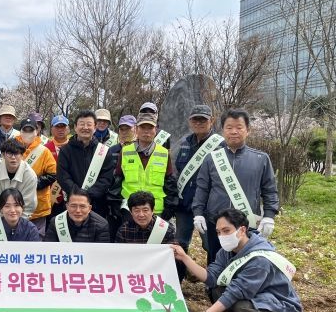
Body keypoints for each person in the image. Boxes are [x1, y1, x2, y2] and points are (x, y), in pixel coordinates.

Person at [172, 208, 301, 312]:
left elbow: (236, 292)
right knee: (218, 289)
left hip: (281, 309)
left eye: (226, 230)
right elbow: (212, 278)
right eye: (218, 232)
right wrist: (185, 258)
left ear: (242, 230)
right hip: (259, 298)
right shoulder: (226, 251)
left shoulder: (259, 259)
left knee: (242, 306)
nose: (222, 236)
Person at [192, 109, 279, 265]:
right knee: (216, 260)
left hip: (246, 222)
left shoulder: (261, 159)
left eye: (239, 127)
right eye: (229, 127)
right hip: (216, 223)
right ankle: (215, 281)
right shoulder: (211, 158)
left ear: (248, 130)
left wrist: (269, 216)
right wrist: (198, 213)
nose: (234, 132)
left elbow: (270, 190)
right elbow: (202, 188)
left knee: (245, 262)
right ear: (223, 130)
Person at [174, 105, 222, 269]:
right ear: (190, 121)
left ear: (211, 121)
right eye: (195, 119)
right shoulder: (185, 143)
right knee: (181, 243)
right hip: (185, 203)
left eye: (203, 120)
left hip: (208, 206)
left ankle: (213, 278)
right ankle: (179, 276)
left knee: (211, 244)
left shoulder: (220, 145)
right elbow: (179, 170)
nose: (199, 123)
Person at [118, 112, 178, 221]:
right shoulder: (125, 152)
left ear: (156, 130)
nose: (146, 131)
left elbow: (170, 184)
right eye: (142, 127)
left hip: (156, 211)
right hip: (130, 210)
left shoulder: (164, 153)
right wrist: (116, 207)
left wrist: (170, 207)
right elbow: (116, 182)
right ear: (136, 129)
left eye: (150, 127)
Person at [57, 110, 115, 219]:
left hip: (97, 204)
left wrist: (89, 194)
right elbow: (63, 176)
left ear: (95, 127)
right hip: (73, 203)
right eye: (82, 124)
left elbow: (106, 178)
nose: (85, 127)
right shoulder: (65, 150)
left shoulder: (104, 151)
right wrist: (77, 194)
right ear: (75, 127)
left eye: (89, 124)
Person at [115, 191, 184, 281]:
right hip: (133, 273)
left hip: (158, 272)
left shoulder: (165, 228)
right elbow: (119, 256)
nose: (141, 214)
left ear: (153, 210)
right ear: (131, 212)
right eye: (136, 210)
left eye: (145, 210)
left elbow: (172, 257)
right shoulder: (124, 230)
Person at [17, 117, 57, 238]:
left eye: (31, 130)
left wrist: (33, 184)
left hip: (38, 204)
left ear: (36, 132)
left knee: (37, 238)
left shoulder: (44, 151)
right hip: (16, 202)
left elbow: (53, 174)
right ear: (20, 131)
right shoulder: (12, 147)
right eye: (25, 130)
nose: (28, 133)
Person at [0, 139, 38, 219]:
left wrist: (18, 222)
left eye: (17, 153)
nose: (13, 157)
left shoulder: (30, 175)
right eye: (10, 154)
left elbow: (29, 204)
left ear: (22, 155)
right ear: (3, 155)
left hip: (21, 219)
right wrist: (2, 222)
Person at [107, 115, 137, 240]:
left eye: (128, 129)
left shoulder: (141, 150)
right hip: (114, 200)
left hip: (133, 200)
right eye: (122, 129)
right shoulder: (112, 150)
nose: (124, 132)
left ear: (135, 129)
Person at [44, 188, 110, 243]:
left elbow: (101, 252)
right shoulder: (56, 222)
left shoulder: (101, 225)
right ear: (67, 207)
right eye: (73, 206)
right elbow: (49, 249)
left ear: (89, 208)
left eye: (82, 206)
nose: (78, 210)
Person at [45, 115, 71, 219]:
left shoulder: (75, 146)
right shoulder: (45, 148)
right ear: (51, 129)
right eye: (57, 127)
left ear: (68, 129)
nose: (60, 130)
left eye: (63, 126)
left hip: (71, 194)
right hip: (51, 196)